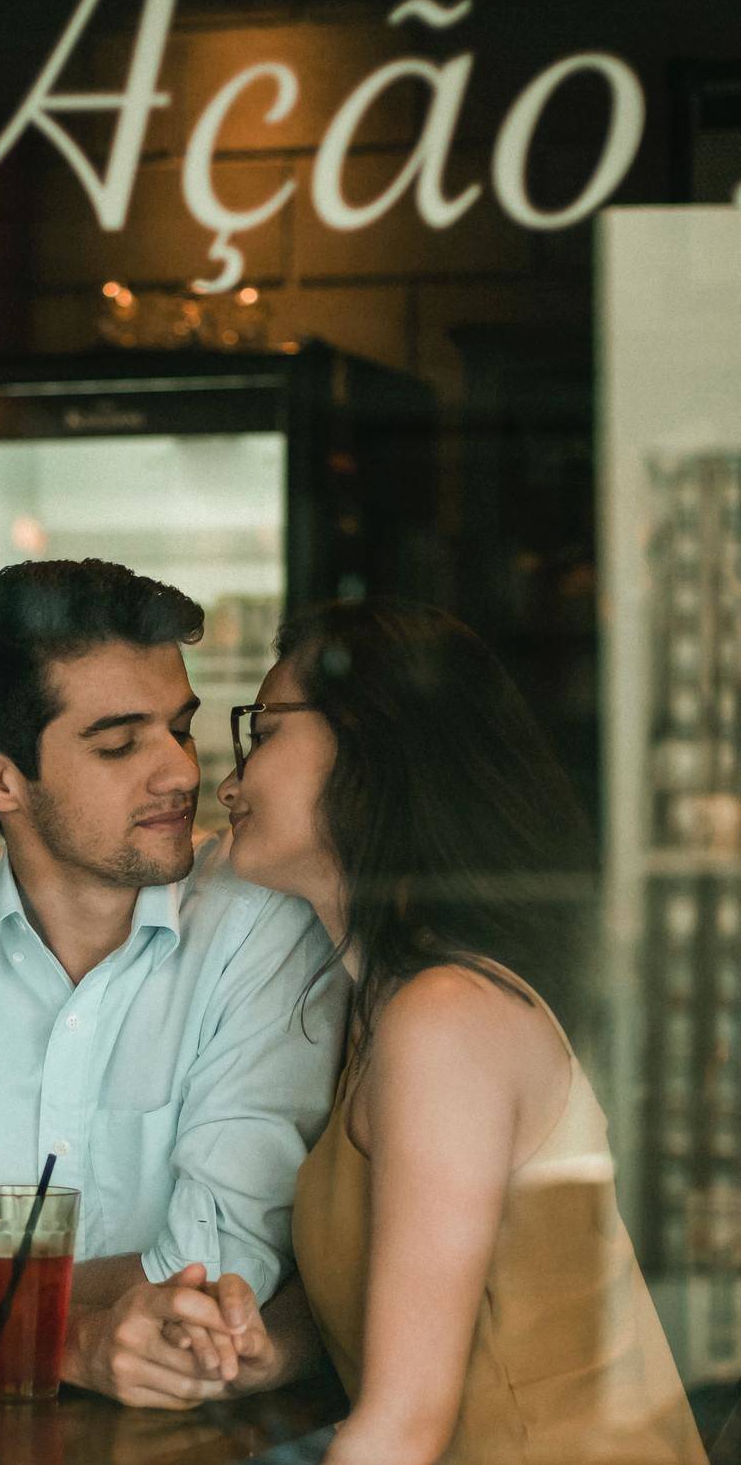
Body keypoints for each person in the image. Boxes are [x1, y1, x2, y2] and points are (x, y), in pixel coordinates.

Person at [0, 558, 347, 1408]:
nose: (182, 773)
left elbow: (218, 1272)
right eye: (119, 744)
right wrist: (59, 1336)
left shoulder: (263, 926)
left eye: (180, 728)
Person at [190, 598, 707, 1464]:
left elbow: (399, 1432)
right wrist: (261, 1348)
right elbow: (422, 1314)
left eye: (264, 731)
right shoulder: (384, 1010)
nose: (230, 781)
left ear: (369, 743)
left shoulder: (444, 1018)